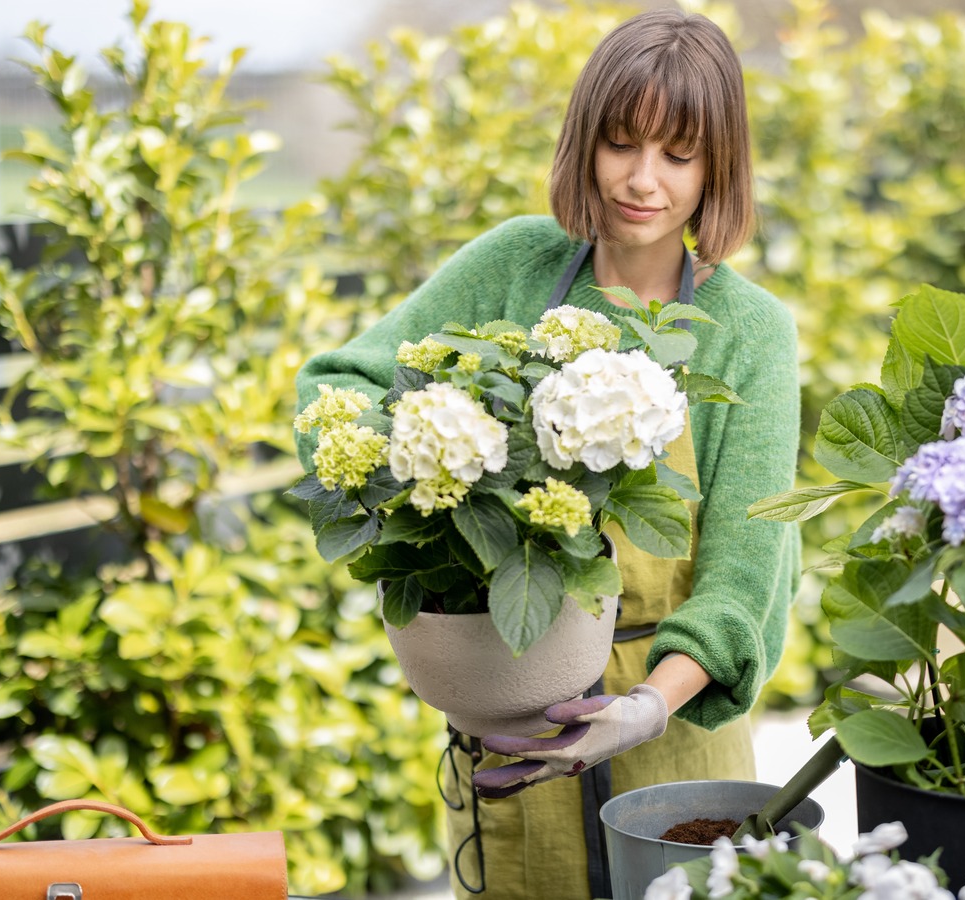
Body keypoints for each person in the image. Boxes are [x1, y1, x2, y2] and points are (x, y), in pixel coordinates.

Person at [294, 9, 800, 898]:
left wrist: (640, 710)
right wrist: (422, 458)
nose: (643, 181)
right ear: (585, 144)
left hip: (673, 749)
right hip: (511, 740)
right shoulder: (518, 267)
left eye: (679, 155)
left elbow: (744, 574)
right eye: (620, 143)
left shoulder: (747, 331)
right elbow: (337, 384)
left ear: (719, 166)